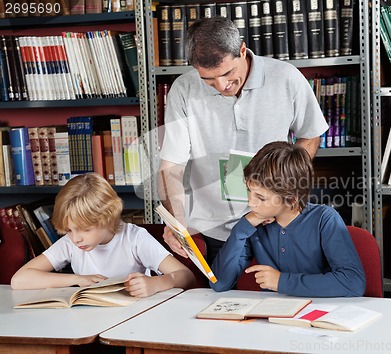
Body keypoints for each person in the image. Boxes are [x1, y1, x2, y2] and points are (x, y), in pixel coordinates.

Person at [158, 17, 329, 265]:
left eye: (228, 73)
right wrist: (175, 221)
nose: (221, 85)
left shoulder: (286, 78)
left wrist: (285, 184)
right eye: (208, 79)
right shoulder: (183, 89)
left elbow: (310, 133)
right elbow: (171, 166)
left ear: (242, 50)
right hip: (213, 228)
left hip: (276, 222)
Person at [209, 141, 366, 297]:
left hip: (317, 313)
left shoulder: (324, 219)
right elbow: (219, 283)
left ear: (291, 199)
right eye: (249, 191)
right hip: (271, 315)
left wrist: (281, 282)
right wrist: (240, 229)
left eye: (261, 198)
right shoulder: (255, 222)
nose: (250, 203)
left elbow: (353, 283)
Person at [11, 173, 195, 297]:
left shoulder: (134, 238)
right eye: (69, 230)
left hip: (132, 321)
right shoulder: (70, 243)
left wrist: (156, 284)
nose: (76, 238)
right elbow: (19, 280)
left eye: (85, 229)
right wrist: (76, 279)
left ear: (107, 218)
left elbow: (186, 276)